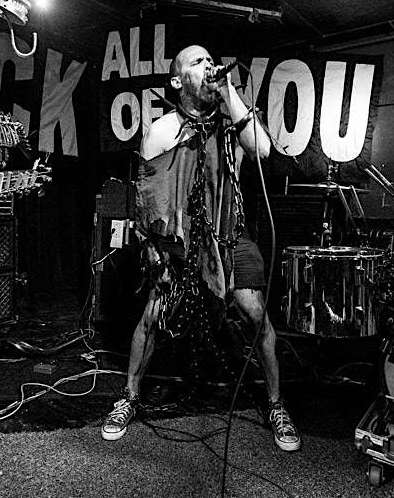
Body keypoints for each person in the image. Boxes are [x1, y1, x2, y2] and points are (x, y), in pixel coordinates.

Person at [100, 45, 301, 452]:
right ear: (177, 81)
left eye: (210, 60)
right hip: (182, 241)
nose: (209, 65)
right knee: (153, 315)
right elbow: (148, 200)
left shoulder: (232, 122)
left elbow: (262, 150)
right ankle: (129, 397)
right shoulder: (162, 131)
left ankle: (276, 404)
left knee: (256, 314)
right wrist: (155, 251)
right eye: (197, 62)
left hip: (230, 234)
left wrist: (228, 92)